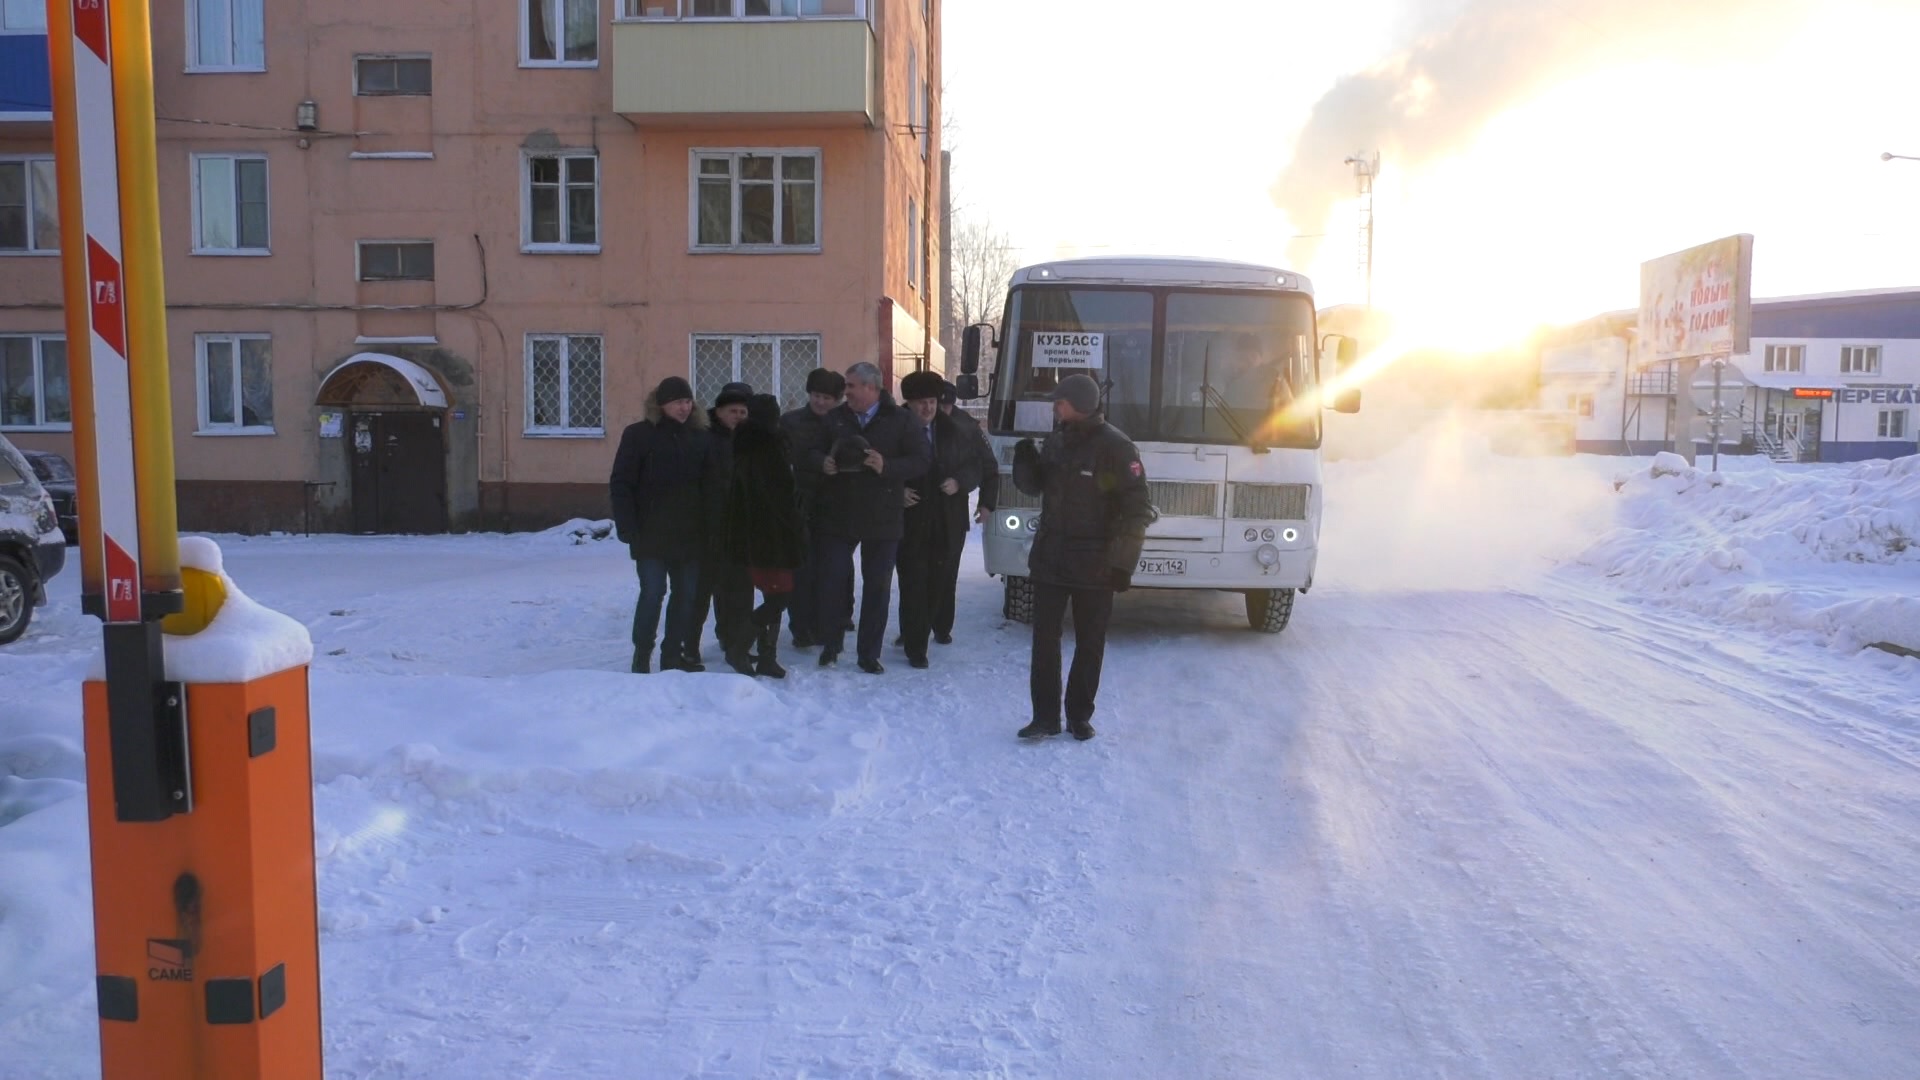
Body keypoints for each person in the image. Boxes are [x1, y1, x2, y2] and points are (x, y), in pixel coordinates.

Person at [1010, 373, 1153, 740]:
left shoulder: (1117, 448)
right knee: (1045, 642)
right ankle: (1044, 717)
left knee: (1090, 644)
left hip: (1096, 565)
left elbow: (1137, 509)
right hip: (1051, 560)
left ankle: (1078, 716)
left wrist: (1123, 562)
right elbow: (1034, 487)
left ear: (1080, 404)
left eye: (1060, 402)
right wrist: (1025, 461)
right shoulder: (1057, 440)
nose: (1054, 408)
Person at [808, 361, 930, 673]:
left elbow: (921, 460)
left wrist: (886, 466)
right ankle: (831, 644)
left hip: (882, 516)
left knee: (877, 587)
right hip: (838, 513)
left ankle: (868, 653)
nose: (844, 392)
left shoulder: (901, 420)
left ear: (871, 388)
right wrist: (822, 462)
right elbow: (809, 451)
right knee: (832, 581)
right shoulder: (835, 418)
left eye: (850, 386)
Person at [609, 375, 712, 673]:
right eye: (677, 402)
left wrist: (709, 527)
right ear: (661, 404)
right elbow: (622, 483)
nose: (684, 407)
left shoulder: (700, 437)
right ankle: (642, 653)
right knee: (653, 593)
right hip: (650, 533)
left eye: (687, 401)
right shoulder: (639, 435)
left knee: (686, 596)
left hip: (689, 534)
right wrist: (627, 525)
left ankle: (672, 655)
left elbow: (710, 487)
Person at [895, 371, 983, 668]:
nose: (927, 409)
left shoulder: (954, 429)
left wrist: (959, 482)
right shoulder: (893, 428)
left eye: (931, 402)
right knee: (913, 582)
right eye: (921, 403)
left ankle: (925, 629)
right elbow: (877, 467)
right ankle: (914, 644)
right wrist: (896, 491)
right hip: (909, 519)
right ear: (908, 404)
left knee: (939, 581)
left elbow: (975, 465)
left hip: (947, 518)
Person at [721, 393, 806, 678]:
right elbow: (778, 497)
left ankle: (767, 656)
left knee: (777, 594)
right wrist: (794, 523)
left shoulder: (753, 444)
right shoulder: (764, 448)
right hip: (769, 536)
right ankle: (739, 648)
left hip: (764, 535)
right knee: (779, 597)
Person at [779, 368, 845, 649]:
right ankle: (801, 627)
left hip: (834, 506)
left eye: (827, 398)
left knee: (830, 570)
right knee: (801, 570)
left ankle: (827, 624)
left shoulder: (844, 424)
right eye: (817, 396)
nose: (821, 402)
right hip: (799, 504)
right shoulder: (790, 422)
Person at [691, 381, 754, 672]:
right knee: (703, 590)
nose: (739, 416)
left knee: (740, 588)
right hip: (707, 527)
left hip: (741, 527)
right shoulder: (704, 438)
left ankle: (736, 642)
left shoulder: (751, 440)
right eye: (733, 411)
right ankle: (689, 647)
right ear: (719, 411)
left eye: (743, 411)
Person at [937, 379, 1000, 645]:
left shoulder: (967, 427)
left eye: (947, 404)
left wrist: (985, 503)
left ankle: (941, 626)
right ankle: (911, 628)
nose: (942, 410)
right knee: (916, 574)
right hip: (916, 510)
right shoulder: (911, 420)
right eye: (938, 404)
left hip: (952, 510)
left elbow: (987, 466)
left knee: (947, 573)